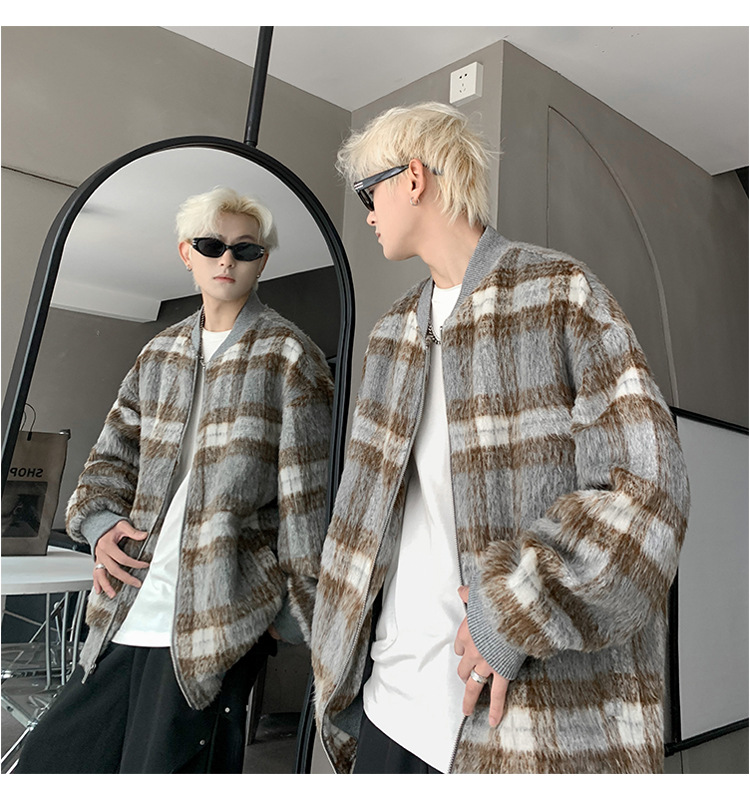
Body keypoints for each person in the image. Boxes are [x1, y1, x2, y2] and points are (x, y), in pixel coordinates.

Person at [310, 102, 689, 774]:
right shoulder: (390, 336)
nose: (367, 214)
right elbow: (363, 518)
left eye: (370, 193)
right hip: (387, 705)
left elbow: (648, 492)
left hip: (517, 726)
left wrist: (513, 611)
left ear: (413, 179)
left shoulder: (562, 294)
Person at [16, 187, 333, 773]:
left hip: (219, 617)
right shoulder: (159, 352)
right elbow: (110, 458)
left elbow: (309, 497)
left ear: (262, 261)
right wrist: (101, 526)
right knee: (50, 764)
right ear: (186, 253)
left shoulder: (290, 355)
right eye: (212, 245)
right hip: (127, 604)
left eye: (245, 249)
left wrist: (291, 612)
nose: (227, 259)